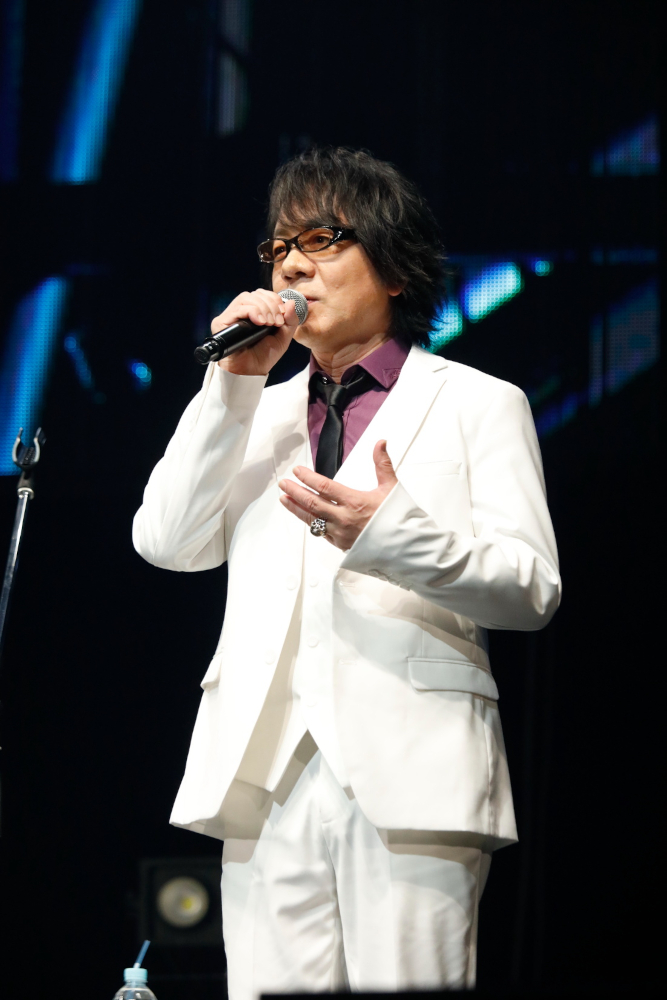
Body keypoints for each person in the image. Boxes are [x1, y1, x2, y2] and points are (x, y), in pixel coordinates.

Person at [133, 147, 560, 998]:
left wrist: (389, 535)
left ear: (394, 269)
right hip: (262, 774)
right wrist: (229, 386)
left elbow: (530, 589)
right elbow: (167, 541)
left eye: (321, 240)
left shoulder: (478, 403)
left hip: (413, 773)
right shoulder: (250, 409)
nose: (291, 266)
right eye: (279, 248)